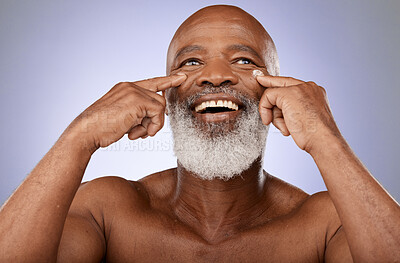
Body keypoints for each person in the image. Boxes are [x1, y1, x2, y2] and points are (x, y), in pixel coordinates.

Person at [0, 4, 399, 262]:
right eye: (191, 62)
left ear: (276, 89)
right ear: (166, 94)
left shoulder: (327, 222)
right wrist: (79, 136)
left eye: (244, 60)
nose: (215, 75)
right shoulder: (108, 210)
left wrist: (326, 137)